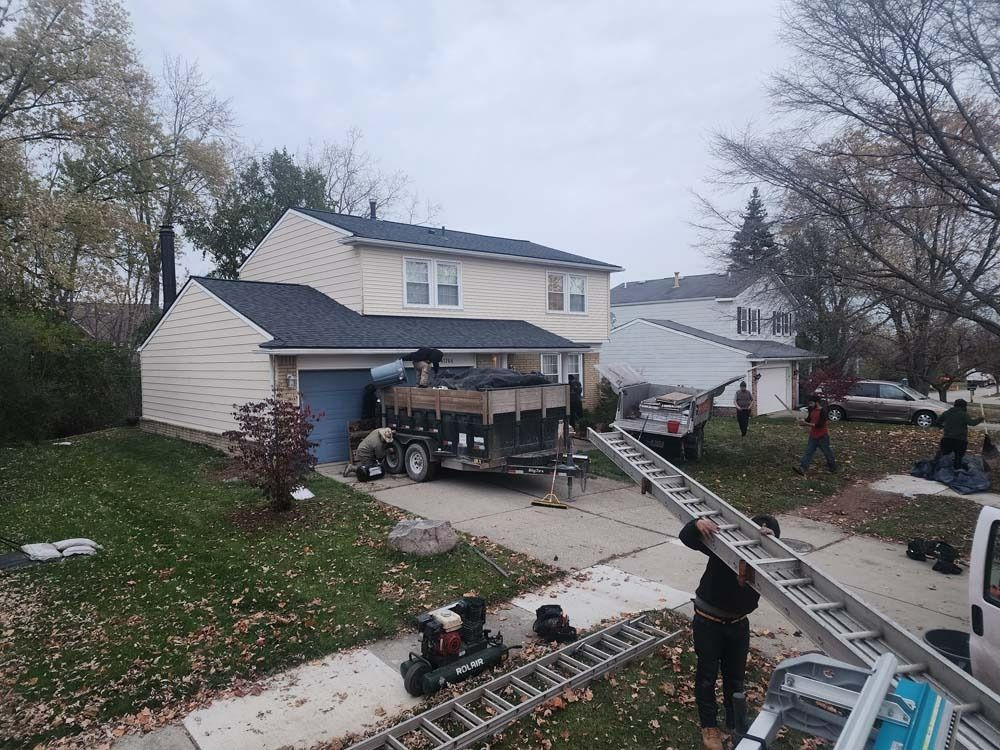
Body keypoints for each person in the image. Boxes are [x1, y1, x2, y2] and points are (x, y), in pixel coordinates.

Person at [680, 514, 781, 750]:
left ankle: (735, 722)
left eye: (768, 533)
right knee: (707, 676)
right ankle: (709, 726)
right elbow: (686, 537)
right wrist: (696, 524)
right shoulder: (725, 547)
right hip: (708, 621)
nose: (761, 535)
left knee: (735, 678)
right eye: (758, 530)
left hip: (738, 624)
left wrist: (772, 542)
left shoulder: (769, 560)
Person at [794, 395, 837, 475]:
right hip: (813, 436)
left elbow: (819, 425)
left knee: (827, 452)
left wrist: (806, 423)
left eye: (811, 403)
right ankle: (802, 468)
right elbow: (809, 420)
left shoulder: (823, 411)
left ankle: (833, 468)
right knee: (808, 452)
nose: (810, 404)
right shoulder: (811, 410)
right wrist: (801, 422)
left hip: (822, 436)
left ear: (816, 403)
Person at [936, 398, 984, 470]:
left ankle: (938, 468)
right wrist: (981, 418)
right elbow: (972, 423)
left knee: (943, 455)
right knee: (958, 458)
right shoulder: (963, 414)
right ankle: (957, 471)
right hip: (960, 440)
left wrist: (942, 427)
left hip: (947, 439)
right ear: (964, 406)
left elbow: (937, 422)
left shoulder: (946, 413)